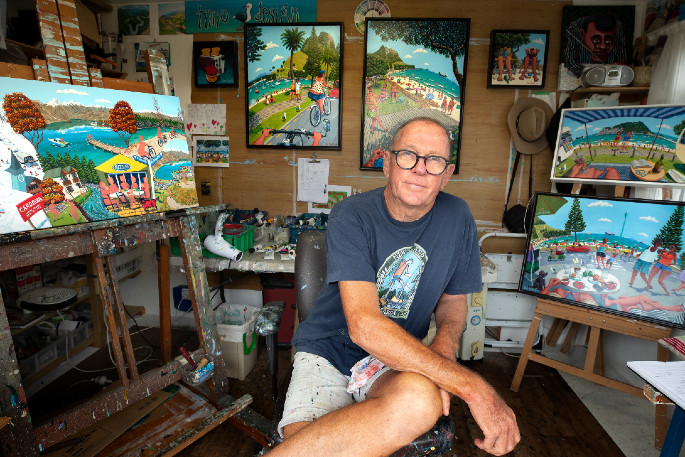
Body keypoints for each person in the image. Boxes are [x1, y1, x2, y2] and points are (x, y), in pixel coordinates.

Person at [270, 118, 520, 457]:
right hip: (327, 351)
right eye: (408, 155)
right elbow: (364, 326)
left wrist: (445, 345)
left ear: (447, 174)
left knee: (422, 401)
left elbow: (453, 299)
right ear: (387, 163)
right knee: (305, 442)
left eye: (434, 160)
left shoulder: (458, 217)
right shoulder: (351, 214)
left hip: (399, 357)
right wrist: (475, 388)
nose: (420, 169)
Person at [563, 11, 627, 78]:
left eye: (608, 41)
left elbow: (623, 64)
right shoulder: (575, 27)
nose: (603, 46)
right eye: (596, 40)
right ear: (582, 34)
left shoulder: (618, 27)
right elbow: (570, 63)